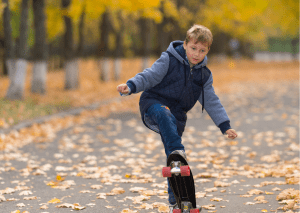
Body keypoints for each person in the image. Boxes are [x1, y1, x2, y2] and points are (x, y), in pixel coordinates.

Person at [117, 24, 238, 211]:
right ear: (185, 44)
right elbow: (150, 75)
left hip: (177, 116)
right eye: (193, 48)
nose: (197, 54)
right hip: (154, 104)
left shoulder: (204, 75)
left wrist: (225, 125)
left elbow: (212, 100)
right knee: (169, 128)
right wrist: (131, 86)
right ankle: (178, 151)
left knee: (174, 162)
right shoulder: (169, 59)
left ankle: (176, 200)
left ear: (207, 51)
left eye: (202, 50)